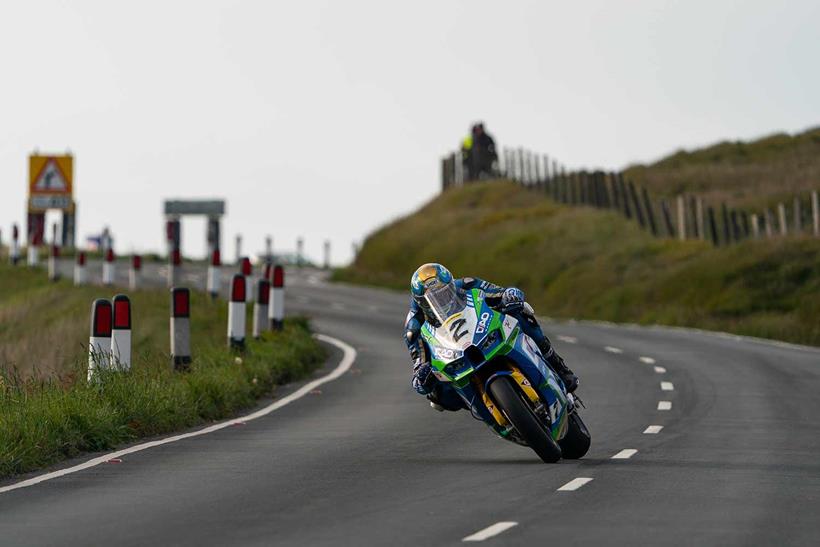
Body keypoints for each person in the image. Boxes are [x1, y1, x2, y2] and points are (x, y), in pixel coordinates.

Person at [404, 263, 579, 411]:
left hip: (481, 332)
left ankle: (558, 366)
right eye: (433, 299)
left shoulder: (467, 284)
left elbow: (501, 292)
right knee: (435, 397)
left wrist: (510, 296)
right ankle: (487, 407)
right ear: (420, 302)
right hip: (452, 356)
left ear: (451, 285)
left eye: (444, 293)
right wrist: (422, 375)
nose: (442, 301)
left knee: (520, 311)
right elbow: (418, 365)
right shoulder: (413, 326)